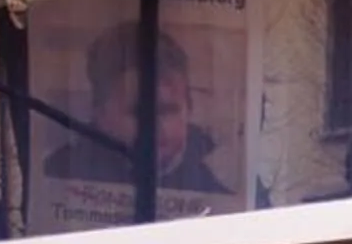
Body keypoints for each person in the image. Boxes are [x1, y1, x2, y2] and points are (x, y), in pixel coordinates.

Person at [41, 23, 231, 198]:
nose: (156, 127)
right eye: (139, 112)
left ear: (189, 109)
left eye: (169, 110)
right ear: (99, 114)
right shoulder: (59, 172)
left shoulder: (218, 191)